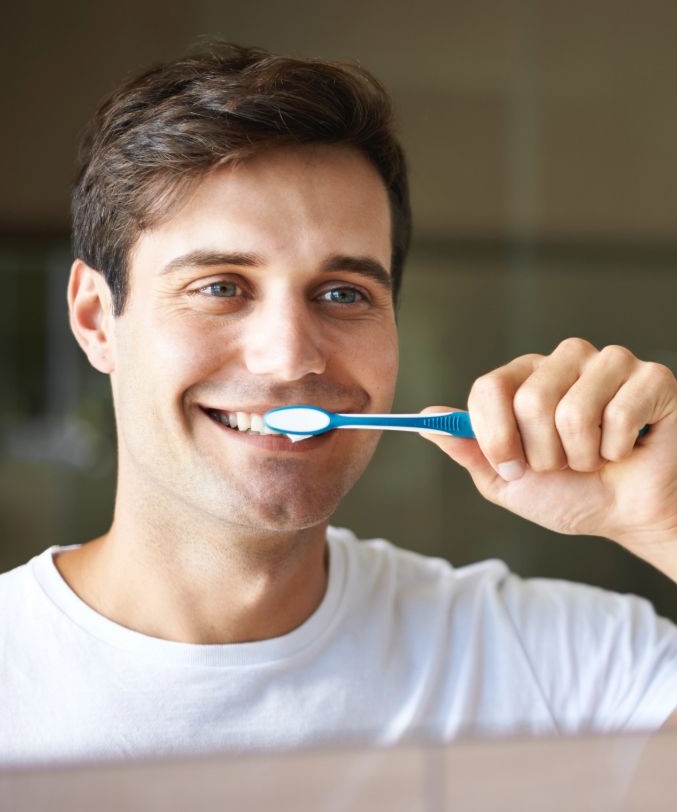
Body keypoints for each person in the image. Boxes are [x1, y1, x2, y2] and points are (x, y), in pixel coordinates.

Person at [1, 43, 675, 766]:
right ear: (97, 319)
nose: (291, 356)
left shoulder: (563, 671)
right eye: (221, 286)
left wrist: (664, 517)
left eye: (343, 294)